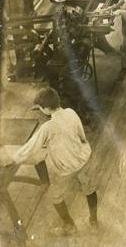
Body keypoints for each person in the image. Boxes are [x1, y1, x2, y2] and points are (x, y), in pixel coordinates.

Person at [4, 87, 98, 234]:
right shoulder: (71, 112)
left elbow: (30, 148)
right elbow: (81, 135)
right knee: (89, 189)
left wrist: (13, 158)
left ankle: (69, 225)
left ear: (46, 109)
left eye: (41, 108)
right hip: (83, 160)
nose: (41, 111)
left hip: (65, 169)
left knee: (56, 197)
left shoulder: (47, 128)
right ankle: (94, 220)